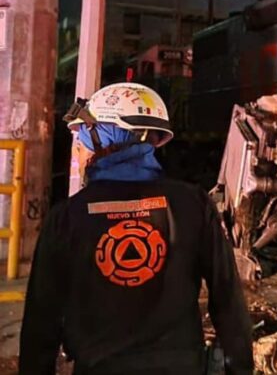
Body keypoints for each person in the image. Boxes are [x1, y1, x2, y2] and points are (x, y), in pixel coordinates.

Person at [20, 83, 253, 374]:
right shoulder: (194, 204)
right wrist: (239, 367)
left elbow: (41, 322)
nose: (78, 151)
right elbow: (228, 300)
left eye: (81, 138)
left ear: (105, 136)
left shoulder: (67, 217)